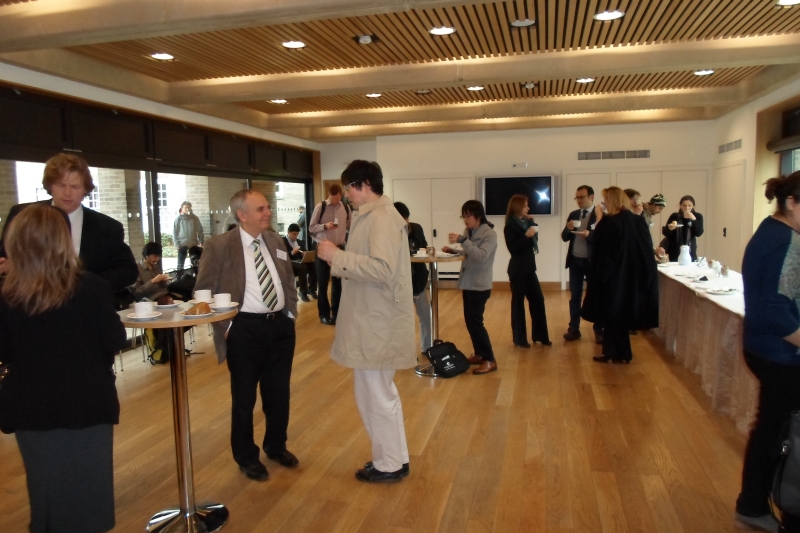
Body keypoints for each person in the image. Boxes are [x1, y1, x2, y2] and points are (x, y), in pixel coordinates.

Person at [0, 204, 126, 533]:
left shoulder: (7, 294)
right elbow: (114, 339)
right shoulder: (93, 288)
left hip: (31, 406)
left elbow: (4, 351)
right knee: (90, 492)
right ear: (62, 241)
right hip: (88, 401)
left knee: (46, 491)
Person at [317, 160, 415, 483]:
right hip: (370, 318)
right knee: (373, 394)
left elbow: (382, 269)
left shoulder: (382, 217)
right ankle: (394, 458)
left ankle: (390, 464)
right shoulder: (371, 215)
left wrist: (337, 256)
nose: (346, 194)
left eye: (348, 188)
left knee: (377, 395)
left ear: (364, 185)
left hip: (377, 321)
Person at [194, 189, 299, 482]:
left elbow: (288, 279)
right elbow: (203, 291)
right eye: (261, 208)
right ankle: (246, 456)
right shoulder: (219, 246)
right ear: (242, 215)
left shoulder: (275, 240)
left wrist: (290, 313)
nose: (268, 212)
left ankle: (276, 446)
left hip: (280, 327)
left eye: (267, 207)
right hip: (243, 329)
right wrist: (226, 328)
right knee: (243, 398)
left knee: (278, 393)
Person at [735, 171, 800, 533]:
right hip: (781, 354)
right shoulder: (783, 239)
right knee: (779, 435)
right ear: (791, 202)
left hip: (768, 349)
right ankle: (766, 504)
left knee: (771, 429)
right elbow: (774, 307)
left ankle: (754, 503)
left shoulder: (772, 229)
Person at [0, 153, 138, 296]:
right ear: (50, 186)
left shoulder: (107, 227)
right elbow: (4, 256)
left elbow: (127, 271)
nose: (67, 193)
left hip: (85, 304)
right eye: (61, 185)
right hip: (27, 302)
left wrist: (83, 285)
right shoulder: (22, 215)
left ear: (85, 189)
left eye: (75, 186)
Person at [580, 186, 659, 363]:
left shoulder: (612, 222)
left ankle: (612, 352)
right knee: (621, 318)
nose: (604, 203)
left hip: (613, 278)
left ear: (613, 201)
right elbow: (645, 249)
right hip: (631, 278)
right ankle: (622, 353)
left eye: (606, 200)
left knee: (611, 316)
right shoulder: (636, 221)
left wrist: (599, 277)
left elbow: (605, 250)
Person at [442, 200, 498, 375]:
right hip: (468, 283)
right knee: (470, 321)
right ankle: (479, 353)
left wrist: (463, 241)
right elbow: (469, 252)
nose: (465, 219)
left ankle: (489, 359)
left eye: (468, 216)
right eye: (463, 216)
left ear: (478, 215)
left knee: (476, 323)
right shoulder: (469, 232)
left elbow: (481, 256)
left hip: (480, 285)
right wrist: (455, 251)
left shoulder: (489, 234)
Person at [504, 194, 551, 348]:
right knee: (518, 305)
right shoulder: (510, 225)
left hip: (529, 268)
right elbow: (513, 249)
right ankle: (520, 339)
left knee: (538, 300)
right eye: (525, 206)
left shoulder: (525, 223)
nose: (528, 208)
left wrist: (532, 223)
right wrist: (526, 236)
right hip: (518, 270)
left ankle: (540, 336)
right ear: (517, 207)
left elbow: (534, 240)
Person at [561, 185, 603, 343]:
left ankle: (599, 329)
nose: (579, 200)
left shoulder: (599, 215)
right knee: (575, 295)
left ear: (591, 197)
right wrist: (568, 229)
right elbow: (565, 237)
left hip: (591, 262)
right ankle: (574, 328)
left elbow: (603, 238)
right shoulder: (574, 214)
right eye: (577, 197)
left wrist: (589, 235)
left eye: (582, 197)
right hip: (575, 260)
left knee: (596, 295)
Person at [309, 183, 351, 325]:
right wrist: (324, 226)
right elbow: (311, 228)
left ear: (340, 195)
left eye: (337, 199)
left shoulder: (345, 208)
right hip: (323, 248)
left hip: (339, 249)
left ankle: (337, 313)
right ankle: (324, 314)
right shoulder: (320, 207)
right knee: (323, 282)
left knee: (338, 283)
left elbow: (350, 225)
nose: (335, 201)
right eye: (333, 199)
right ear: (329, 195)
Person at [393, 201, 432, 354]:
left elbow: (424, 246)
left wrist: (422, 251)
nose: (406, 222)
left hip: (419, 280)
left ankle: (427, 347)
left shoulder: (417, 228)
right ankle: (404, 352)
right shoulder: (390, 233)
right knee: (403, 319)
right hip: (400, 283)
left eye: (407, 218)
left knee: (426, 315)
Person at [662, 195, 704, 261]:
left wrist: (693, 219)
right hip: (675, 251)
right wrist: (670, 229)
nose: (687, 208)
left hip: (690, 251)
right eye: (684, 205)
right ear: (680, 205)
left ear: (693, 206)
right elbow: (665, 232)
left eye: (689, 206)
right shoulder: (674, 216)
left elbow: (699, 233)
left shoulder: (697, 216)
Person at [283, 223, 317, 302]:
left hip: (299, 261)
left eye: (297, 234)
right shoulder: (282, 241)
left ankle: (312, 289)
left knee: (313, 264)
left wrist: (304, 253)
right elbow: (280, 254)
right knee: (303, 267)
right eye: (294, 234)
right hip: (289, 262)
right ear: (288, 232)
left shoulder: (299, 241)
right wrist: (291, 252)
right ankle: (303, 292)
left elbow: (304, 250)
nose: (295, 236)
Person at [173, 201, 204, 270]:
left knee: (195, 262)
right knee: (180, 264)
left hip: (193, 243)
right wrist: (177, 244)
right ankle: (180, 275)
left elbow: (200, 230)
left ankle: (196, 275)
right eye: (186, 207)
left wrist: (201, 240)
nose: (187, 209)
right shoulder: (178, 219)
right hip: (182, 244)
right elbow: (175, 232)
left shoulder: (195, 218)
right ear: (182, 208)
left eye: (189, 207)